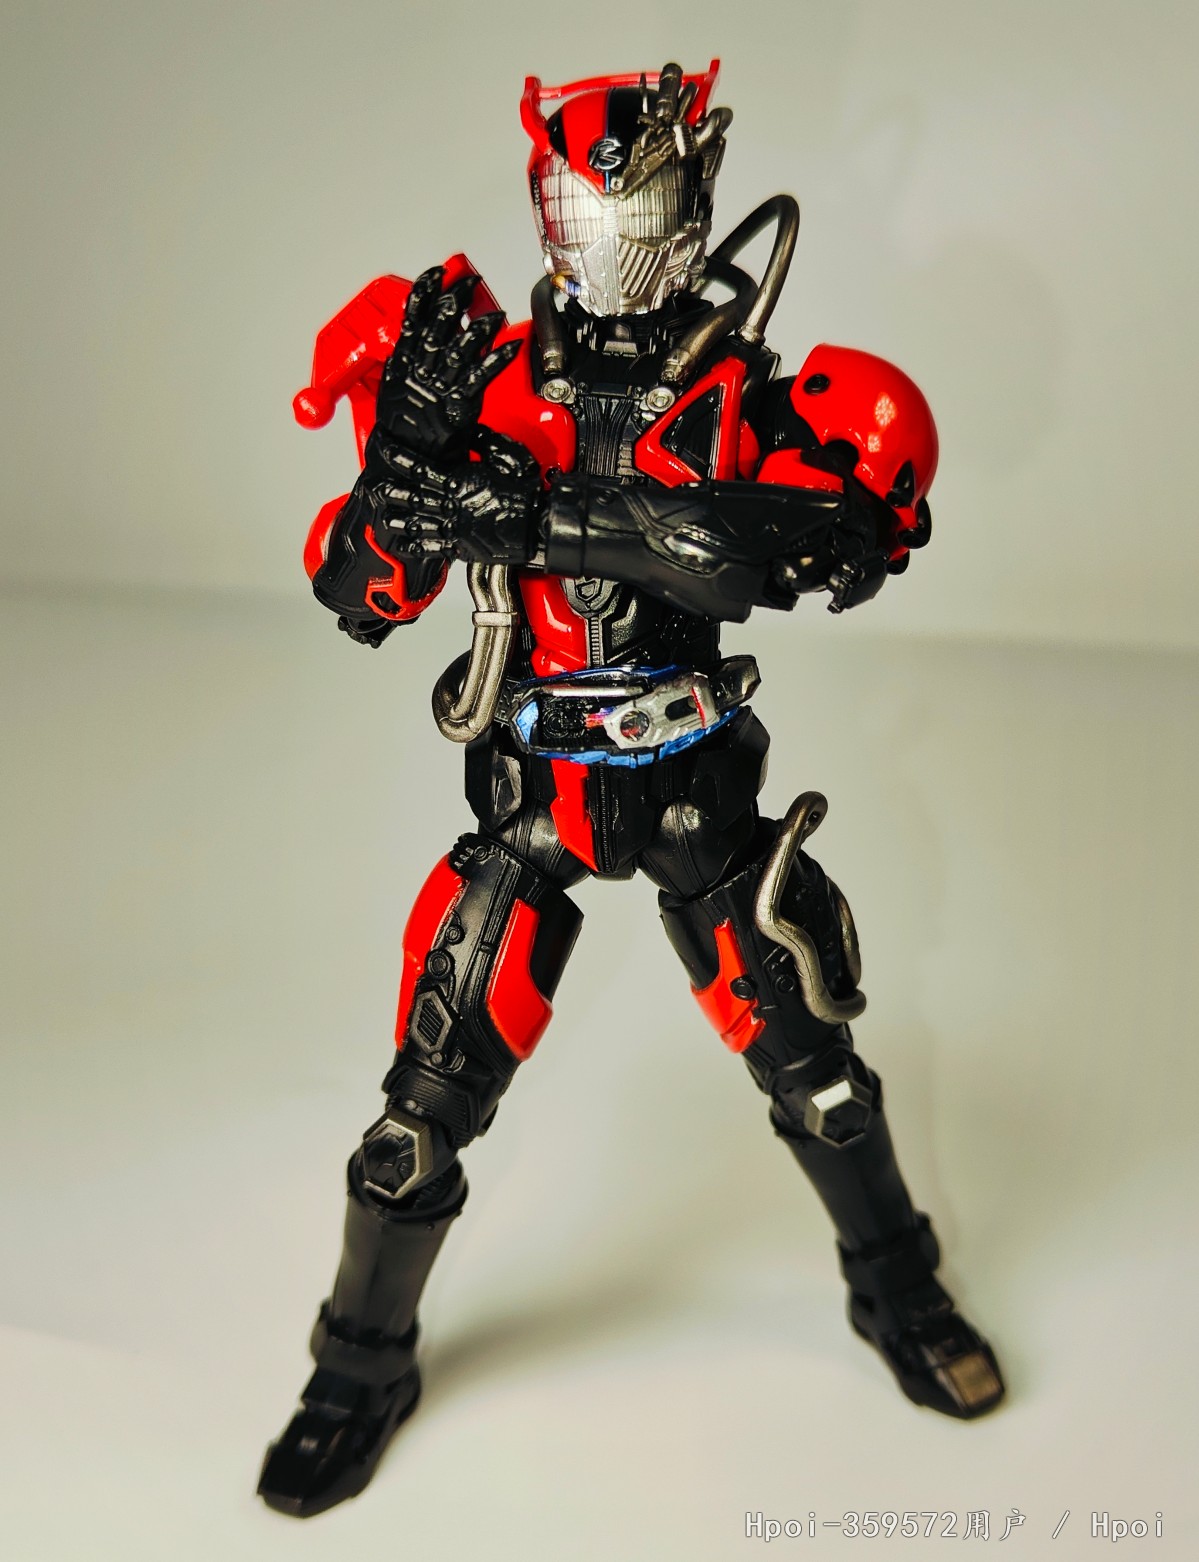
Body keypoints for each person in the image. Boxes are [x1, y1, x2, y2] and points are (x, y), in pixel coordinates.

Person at [259, 60, 1004, 1519]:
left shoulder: (744, 389)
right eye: (580, 210)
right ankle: (357, 1365)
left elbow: (770, 551)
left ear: (692, 198)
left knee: (823, 1078)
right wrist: (404, 466)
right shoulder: (480, 379)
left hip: (690, 795)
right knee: (413, 1128)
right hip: (533, 793)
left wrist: (529, 513)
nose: (605, 241)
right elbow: (359, 592)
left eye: (635, 208)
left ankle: (898, 1282)